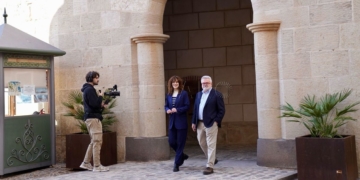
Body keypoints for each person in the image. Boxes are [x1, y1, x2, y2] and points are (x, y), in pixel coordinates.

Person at [191, 75, 225, 175]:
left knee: (211, 144)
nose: (205, 84)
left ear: (211, 83)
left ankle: (209, 166)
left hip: (211, 123)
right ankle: (213, 158)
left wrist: (217, 121)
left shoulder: (217, 94)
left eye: (207, 83)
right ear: (201, 84)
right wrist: (194, 121)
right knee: (202, 143)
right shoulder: (198, 95)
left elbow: (222, 110)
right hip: (199, 123)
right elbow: (195, 109)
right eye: (203, 83)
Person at [79, 71, 109, 172]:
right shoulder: (90, 90)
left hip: (91, 117)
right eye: (96, 78)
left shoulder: (88, 90)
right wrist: (100, 96)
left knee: (94, 141)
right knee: (97, 142)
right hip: (93, 119)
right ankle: (97, 166)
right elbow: (94, 104)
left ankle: (86, 163)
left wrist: (101, 105)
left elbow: (93, 105)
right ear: (91, 78)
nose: (98, 80)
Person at [164, 76, 190, 172]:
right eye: (173, 82)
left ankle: (176, 164)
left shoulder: (184, 94)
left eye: (177, 82)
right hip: (172, 122)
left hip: (181, 122)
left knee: (180, 143)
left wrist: (178, 110)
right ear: (171, 84)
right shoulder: (168, 94)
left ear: (179, 83)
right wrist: (167, 110)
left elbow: (187, 106)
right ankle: (182, 155)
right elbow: (165, 106)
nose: (175, 84)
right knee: (171, 141)